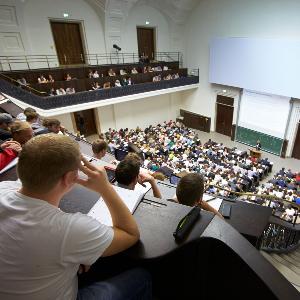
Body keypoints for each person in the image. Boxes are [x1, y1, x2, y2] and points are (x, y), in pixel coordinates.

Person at [0, 134, 151, 300]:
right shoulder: (68, 230)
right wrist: (105, 188)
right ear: (69, 178)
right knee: (141, 276)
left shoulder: (3, 188)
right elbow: (130, 234)